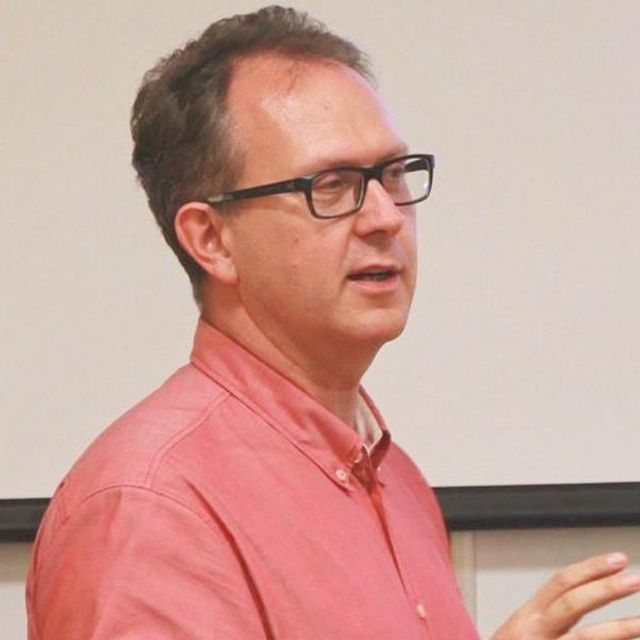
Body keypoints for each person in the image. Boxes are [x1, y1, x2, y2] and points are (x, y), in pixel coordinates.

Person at [26, 6, 640, 639]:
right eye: (331, 185)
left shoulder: (397, 481)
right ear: (212, 239)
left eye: (393, 175)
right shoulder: (152, 506)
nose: (386, 217)